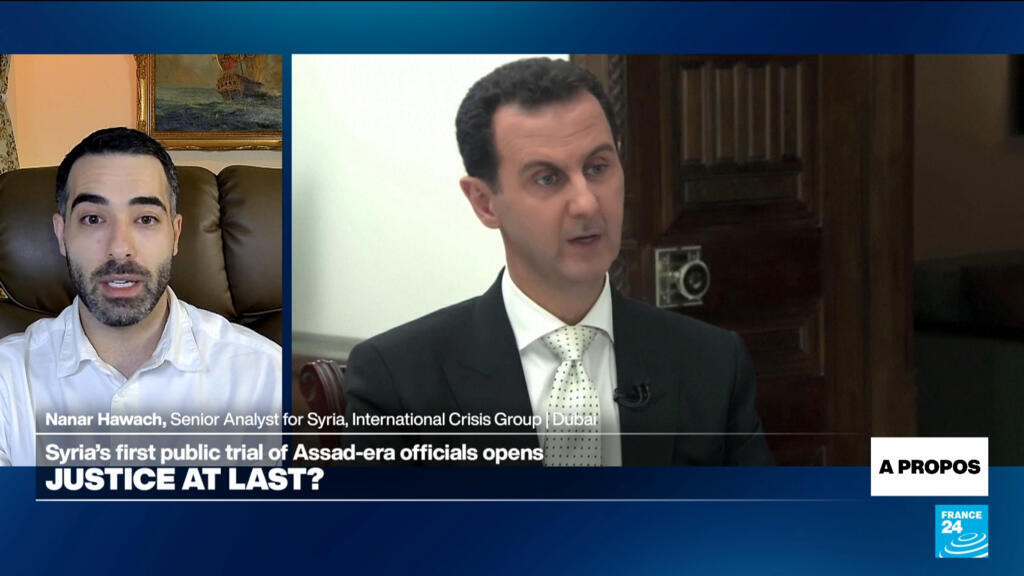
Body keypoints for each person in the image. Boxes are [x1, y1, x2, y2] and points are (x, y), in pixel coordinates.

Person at [343, 58, 772, 466]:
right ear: (484, 202)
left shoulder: (712, 363)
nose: (587, 203)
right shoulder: (398, 381)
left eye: (598, 167)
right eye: (547, 178)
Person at [0, 127, 281, 466]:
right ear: (62, 235)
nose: (120, 248)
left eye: (146, 219)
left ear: (175, 234)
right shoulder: (8, 378)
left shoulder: (263, 376)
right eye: (92, 218)